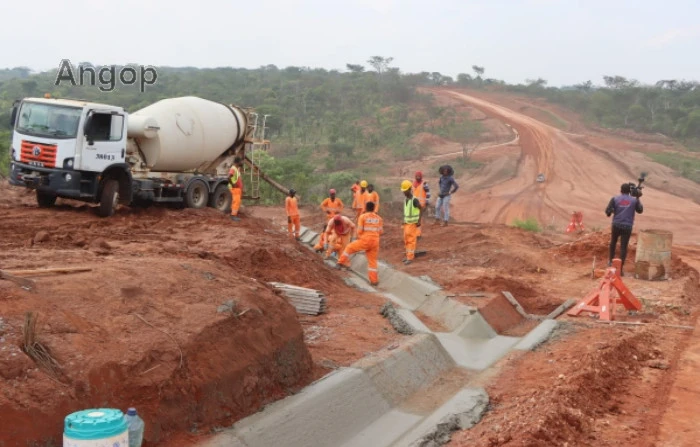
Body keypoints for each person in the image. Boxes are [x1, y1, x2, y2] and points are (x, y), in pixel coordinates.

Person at [336, 201, 383, 286]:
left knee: (349, 247)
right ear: (373, 208)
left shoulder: (363, 217)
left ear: (366, 208)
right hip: (375, 242)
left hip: (365, 240)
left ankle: (340, 263)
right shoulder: (379, 218)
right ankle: (374, 281)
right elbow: (380, 231)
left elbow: (359, 231)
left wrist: (359, 239)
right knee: (372, 262)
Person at [605, 183, 643, 275]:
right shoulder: (634, 201)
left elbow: (607, 211)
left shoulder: (615, 199)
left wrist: (613, 211)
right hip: (627, 226)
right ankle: (620, 269)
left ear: (621, 190)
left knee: (613, 243)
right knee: (623, 247)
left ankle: (610, 262)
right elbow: (640, 210)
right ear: (629, 191)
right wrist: (638, 198)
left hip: (616, 224)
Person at [401, 180, 423, 265]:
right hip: (406, 223)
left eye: (405, 190)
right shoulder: (406, 199)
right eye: (403, 191)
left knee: (411, 240)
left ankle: (410, 257)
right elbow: (406, 211)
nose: (404, 192)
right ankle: (407, 255)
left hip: (412, 224)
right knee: (406, 240)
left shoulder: (414, 200)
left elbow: (421, 208)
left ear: (409, 189)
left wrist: (419, 221)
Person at [412, 171, 430, 238]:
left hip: (421, 205)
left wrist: (427, 202)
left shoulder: (424, 183)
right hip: (414, 204)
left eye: (419, 176)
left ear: (421, 177)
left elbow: (428, 193)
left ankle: (418, 234)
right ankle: (414, 233)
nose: (417, 177)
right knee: (414, 219)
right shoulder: (413, 183)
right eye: (416, 176)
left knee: (419, 220)